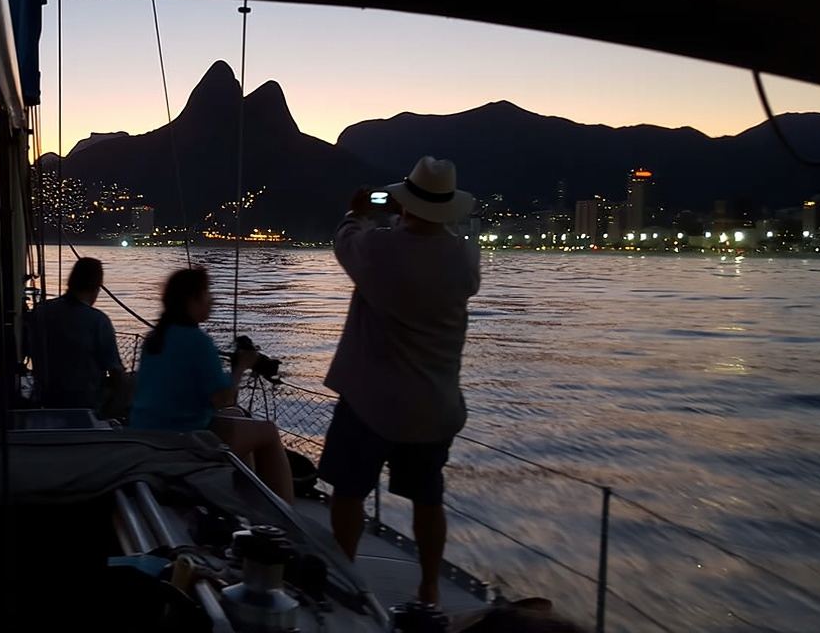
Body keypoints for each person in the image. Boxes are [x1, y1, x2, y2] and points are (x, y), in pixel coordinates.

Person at [319, 156, 481, 605]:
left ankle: (347, 575)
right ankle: (429, 587)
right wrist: (408, 215)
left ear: (405, 204)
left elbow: (345, 238)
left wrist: (359, 211)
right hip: (434, 405)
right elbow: (436, 240)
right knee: (428, 500)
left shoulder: (379, 250)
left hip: (371, 402)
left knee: (348, 494)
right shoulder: (466, 258)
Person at [130, 268, 295, 503]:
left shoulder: (154, 339)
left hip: (147, 434)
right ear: (191, 301)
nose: (212, 300)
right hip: (183, 441)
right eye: (206, 294)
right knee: (267, 431)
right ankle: (286, 518)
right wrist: (241, 367)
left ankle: (241, 495)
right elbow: (222, 399)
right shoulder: (198, 342)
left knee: (238, 415)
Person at [27, 257, 125, 412]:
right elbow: (115, 371)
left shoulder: (41, 312)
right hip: (85, 406)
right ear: (97, 288)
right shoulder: (98, 321)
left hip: (45, 401)